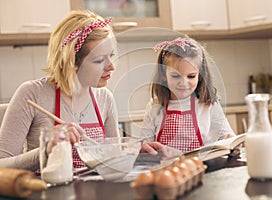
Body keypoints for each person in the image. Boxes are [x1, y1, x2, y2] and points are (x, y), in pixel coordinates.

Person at [0, 10, 120, 171]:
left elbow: (115, 159)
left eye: (110, 55)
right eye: (99, 60)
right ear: (72, 62)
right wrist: (45, 148)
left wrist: (139, 152)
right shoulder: (33, 93)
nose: (111, 66)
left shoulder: (105, 98)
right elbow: (2, 166)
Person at [140, 37, 236, 154]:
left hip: (201, 167)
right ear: (164, 75)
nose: (183, 83)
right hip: (167, 169)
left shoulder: (208, 104)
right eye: (175, 76)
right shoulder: (155, 106)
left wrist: (232, 142)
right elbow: (145, 145)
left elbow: (227, 136)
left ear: (200, 76)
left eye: (191, 76)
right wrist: (145, 149)